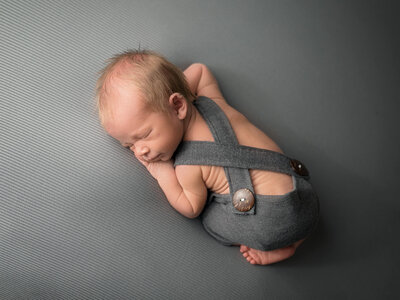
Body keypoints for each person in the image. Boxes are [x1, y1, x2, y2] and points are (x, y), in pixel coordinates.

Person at [95, 50, 319, 265]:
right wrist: (170, 90)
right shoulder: (213, 100)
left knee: (210, 219)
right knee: (292, 208)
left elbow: (190, 208)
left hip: (270, 223)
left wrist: (161, 173)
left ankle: (280, 246)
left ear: (178, 105)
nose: (140, 151)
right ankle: (296, 241)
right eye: (129, 145)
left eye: (144, 135)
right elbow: (200, 70)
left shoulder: (187, 168)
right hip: (305, 195)